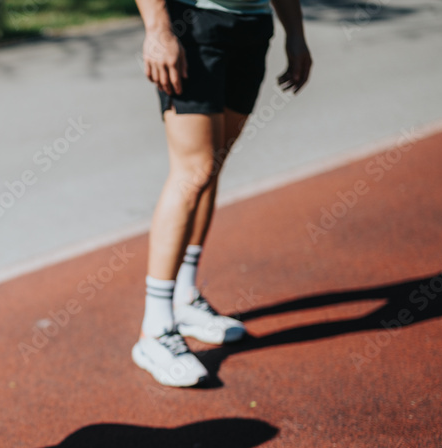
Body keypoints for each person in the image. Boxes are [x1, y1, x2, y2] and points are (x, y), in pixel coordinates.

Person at [132, 0, 312, 386]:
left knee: (211, 167)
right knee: (193, 171)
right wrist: (158, 28)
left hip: (252, 26)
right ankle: (155, 329)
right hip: (195, 25)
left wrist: (294, 32)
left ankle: (185, 295)